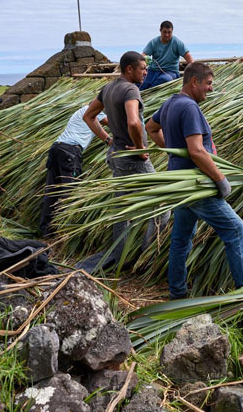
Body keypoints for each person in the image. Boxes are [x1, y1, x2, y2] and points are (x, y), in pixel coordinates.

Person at [146, 62, 243, 299]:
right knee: (235, 229)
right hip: (197, 183)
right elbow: (196, 151)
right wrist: (221, 178)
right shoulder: (189, 107)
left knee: (181, 238)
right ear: (194, 81)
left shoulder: (170, 103)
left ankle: (177, 292)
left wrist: (173, 150)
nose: (211, 89)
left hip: (182, 185)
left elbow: (150, 128)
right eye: (208, 83)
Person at [81, 51, 169, 271]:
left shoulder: (109, 88)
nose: (146, 72)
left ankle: (119, 258)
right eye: (142, 68)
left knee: (122, 208)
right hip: (132, 159)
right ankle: (147, 260)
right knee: (162, 204)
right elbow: (133, 122)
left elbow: (90, 116)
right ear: (129, 69)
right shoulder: (131, 90)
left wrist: (108, 140)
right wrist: (140, 148)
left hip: (116, 155)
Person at [39, 104, 110, 238]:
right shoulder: (93, 110)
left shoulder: (83, 109)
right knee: (70, 192)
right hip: (70, 151)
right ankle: (65, 231)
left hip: (57, 148)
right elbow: (111, 124)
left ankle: (46, 230)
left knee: (52, 190)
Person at [139, 21, 194, 90]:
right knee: (141, 83)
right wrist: (145, 60)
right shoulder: (154, 42)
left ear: (172, 31)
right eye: (165, 32)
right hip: (153, 71)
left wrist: (193, 72)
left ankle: (151, 92)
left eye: (169, 32)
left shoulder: (177, 42)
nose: (167, 35)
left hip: (171, 72)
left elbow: (188, 57)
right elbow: (142, 56)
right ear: (160, 30)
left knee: (164, 79)